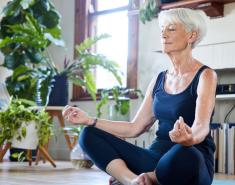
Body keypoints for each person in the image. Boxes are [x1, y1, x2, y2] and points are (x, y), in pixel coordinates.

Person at [63, 8, 217, 185]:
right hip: (155, 158)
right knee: (88, 134)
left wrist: (189, 139)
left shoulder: (205, 75)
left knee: (185, 153)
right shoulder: (159, 79)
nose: (164, 35)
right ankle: (133, 181)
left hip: (190, 160)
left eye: (171, 29)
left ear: (191, 36)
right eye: (162, 30)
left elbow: (201, 126)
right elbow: (134, 128)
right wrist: (90, 120)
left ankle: (149, 178)